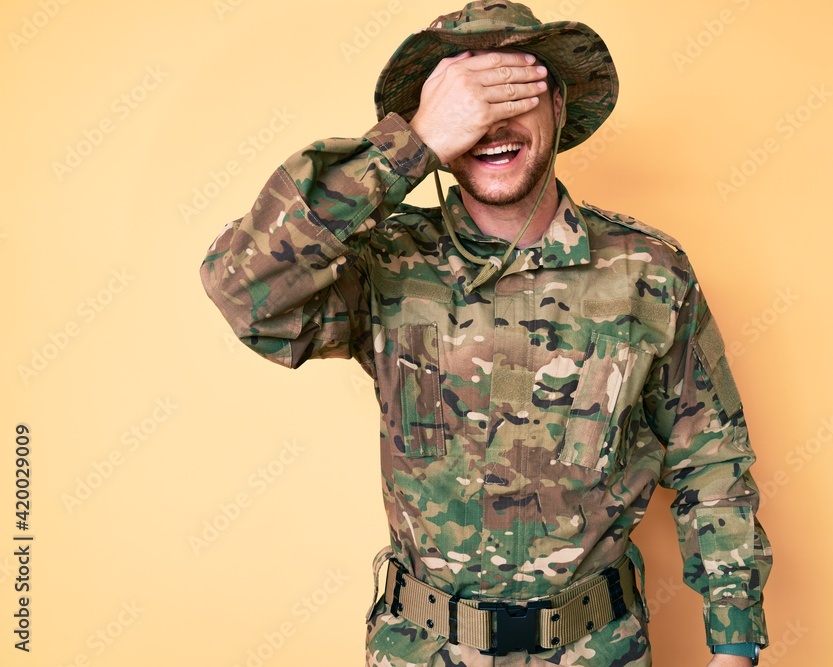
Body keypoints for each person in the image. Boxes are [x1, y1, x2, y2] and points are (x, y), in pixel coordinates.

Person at [200, 2, 772, 665]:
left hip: (599, 649)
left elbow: (712, 461)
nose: (492, 123)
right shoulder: (385, 262)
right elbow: (242, 289)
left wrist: (735, 643)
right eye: (468, 101)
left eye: (515, 90)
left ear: (558, 105)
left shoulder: (647, 270)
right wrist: (408, 145)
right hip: (422, 649)